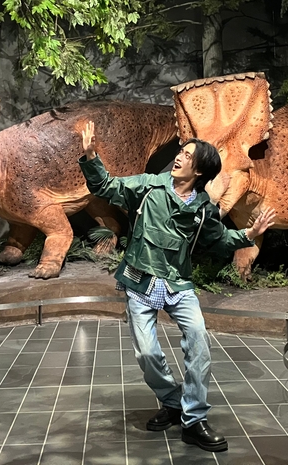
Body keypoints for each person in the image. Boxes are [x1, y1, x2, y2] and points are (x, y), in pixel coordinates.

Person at [79, 121, 276, 452]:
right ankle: (172, 401)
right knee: (146, 352)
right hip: (140, 280)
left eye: (187, 155)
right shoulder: (149, 187)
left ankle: (194, 419)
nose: (179, 157)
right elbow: (106, 186)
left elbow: (218, 240)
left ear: (199, 171)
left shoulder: (202, 209)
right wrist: (90, 157)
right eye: (181, 152)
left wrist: (249, 234)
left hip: (178, 283)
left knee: (199, 342)